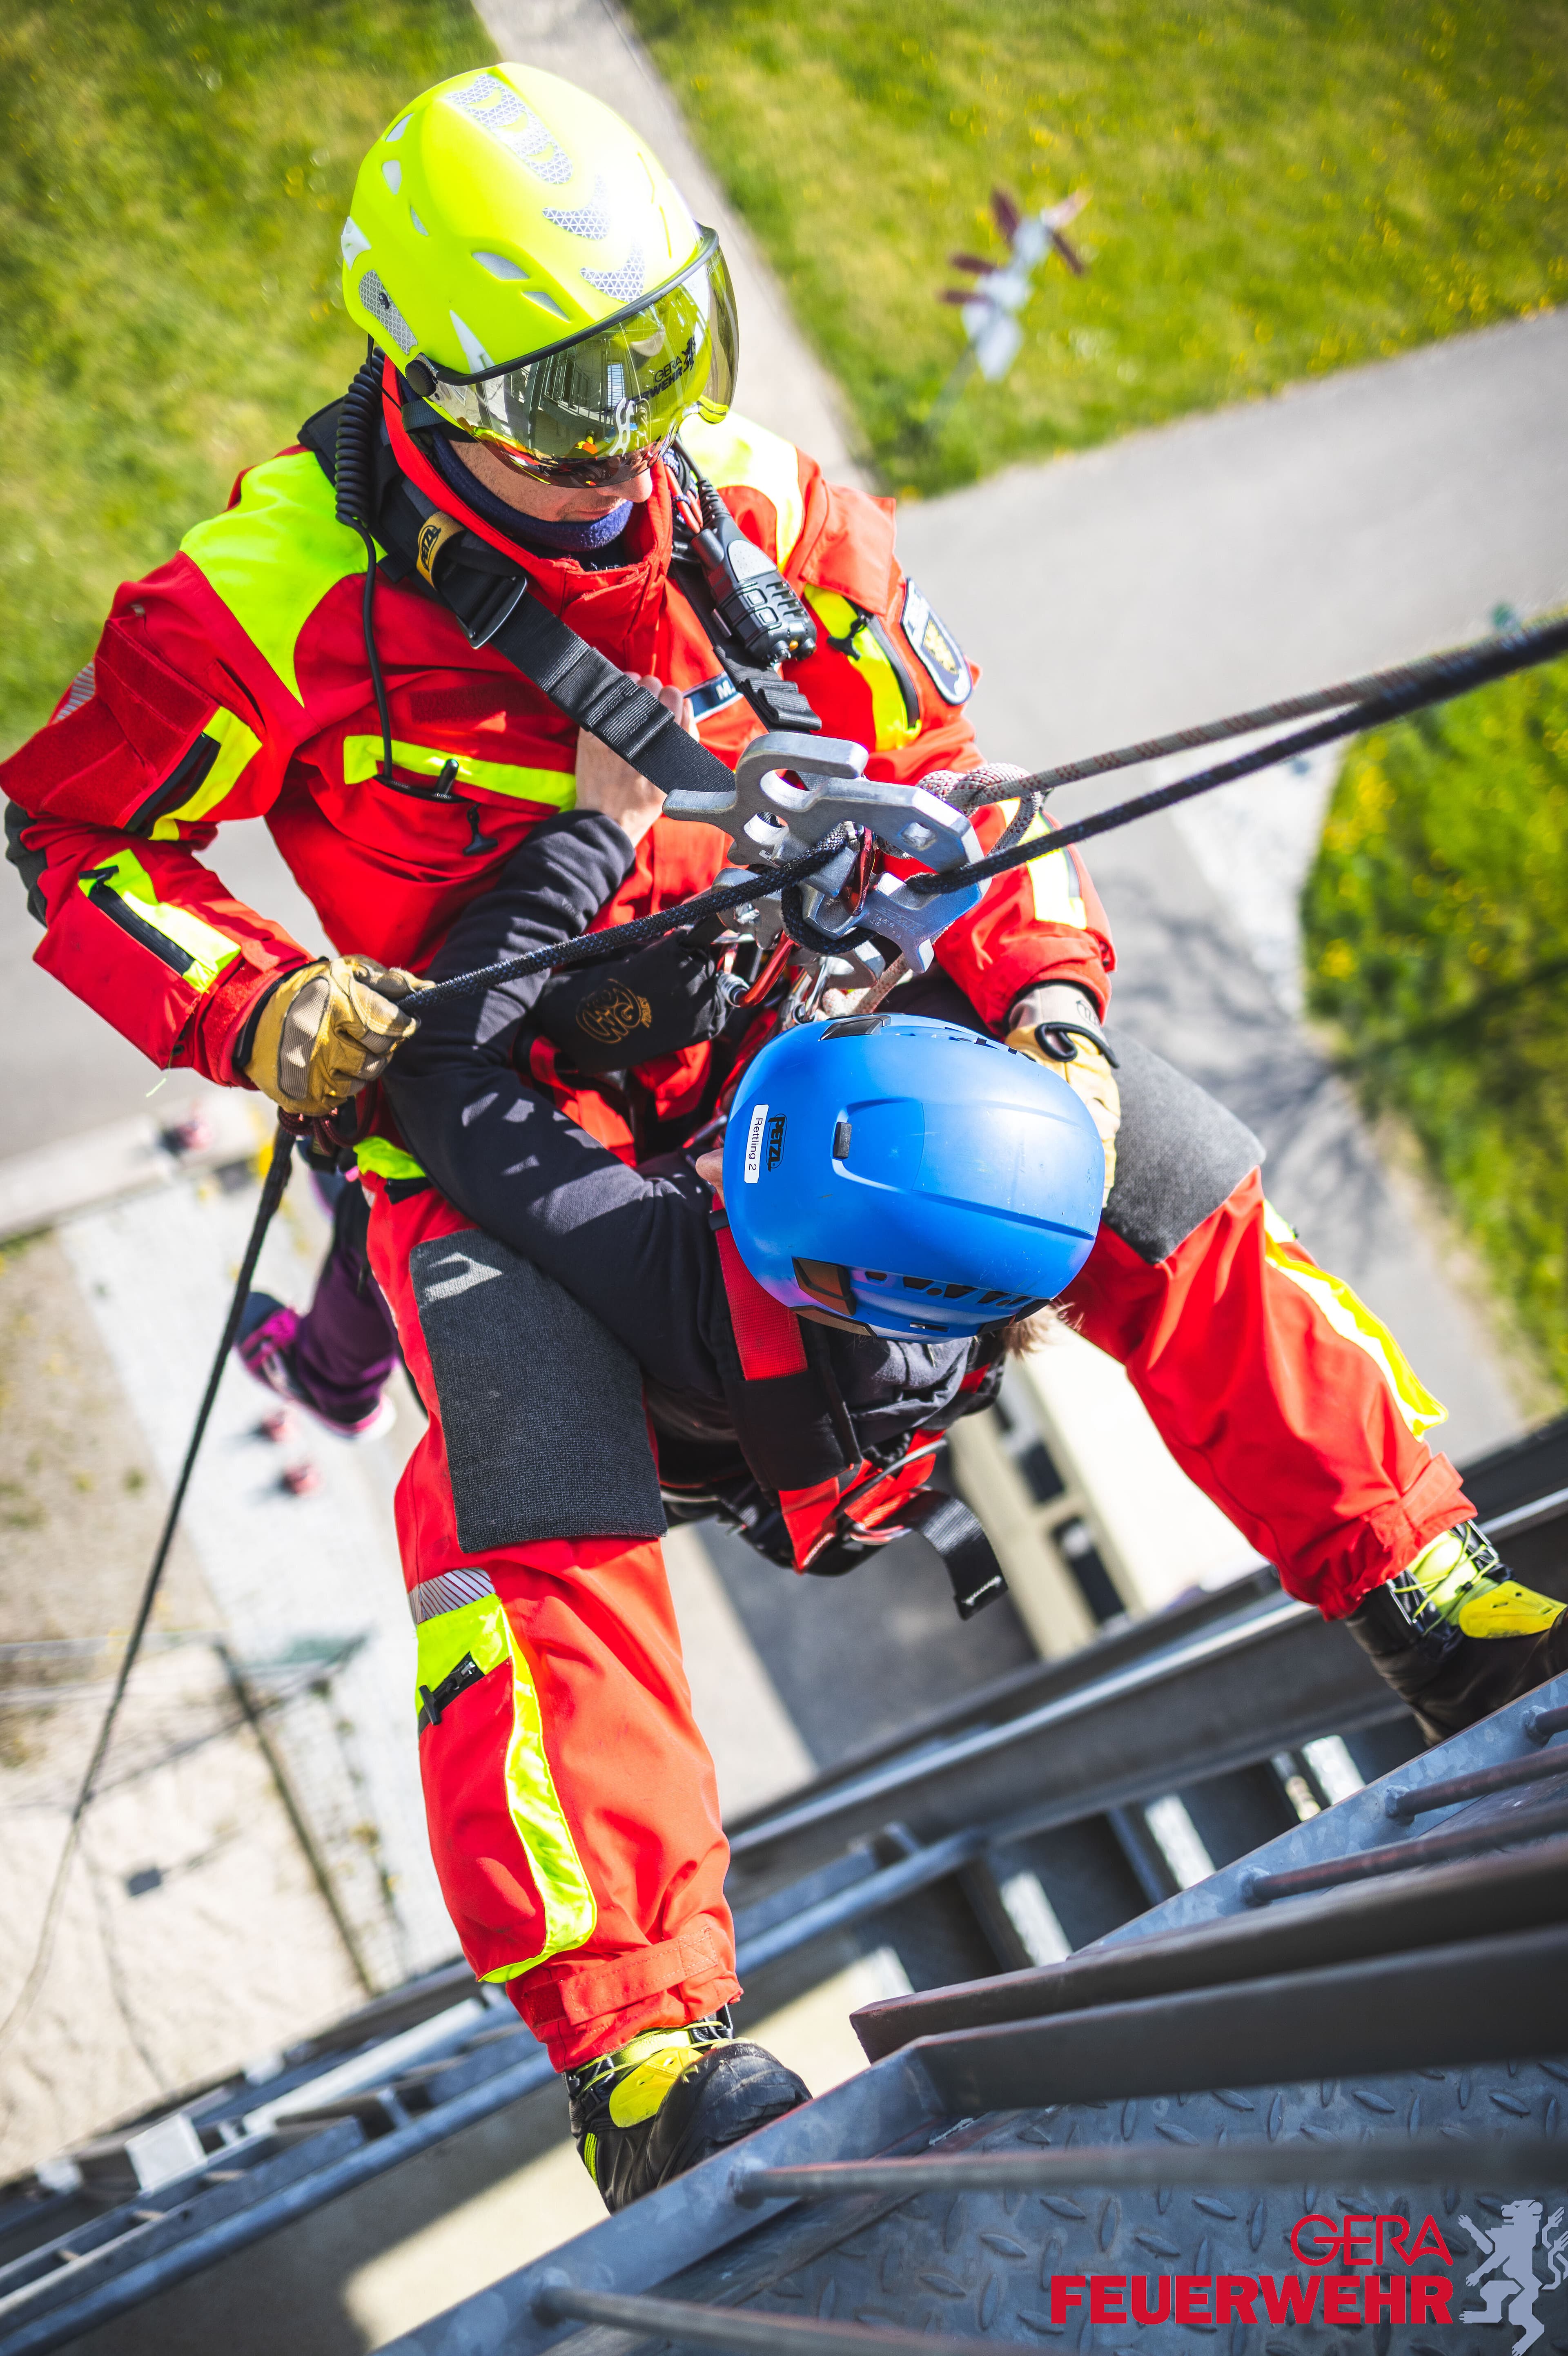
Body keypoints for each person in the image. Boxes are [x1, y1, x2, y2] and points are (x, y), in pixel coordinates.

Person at [4, 60, 1562, 2211]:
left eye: (662, 361)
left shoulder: (770, 513)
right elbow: (76, 844)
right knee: (521, 1499)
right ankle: (646, 2052)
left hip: (783, 987)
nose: (630, 443)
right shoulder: (255, 606)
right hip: (493, 1098)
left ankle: (1430, 1588)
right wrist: (258, 1000)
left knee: (1158, 1179)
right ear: (432, 389)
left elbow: (937, 763)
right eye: (570, 405)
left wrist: (1042, 996)